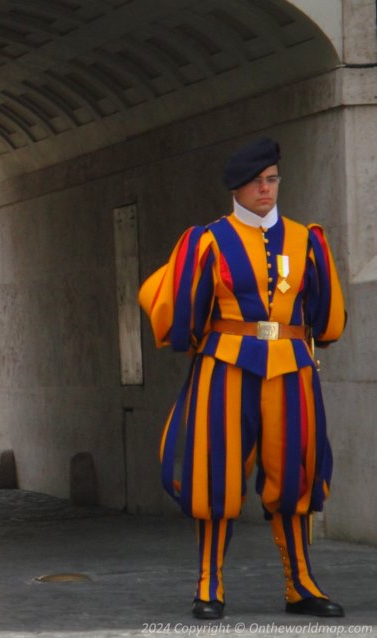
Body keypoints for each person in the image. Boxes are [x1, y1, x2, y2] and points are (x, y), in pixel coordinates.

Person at [138, 137, 346, 620]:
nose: (266, 190)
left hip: (292, 368)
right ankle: (209, 585)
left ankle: (302, 584)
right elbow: (185, 319)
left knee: (296, 475)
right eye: (257, 182)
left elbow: (327, 319)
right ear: (236, 188)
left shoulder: (307, 239)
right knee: (216, 476)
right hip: (226, 368)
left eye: (272, 180)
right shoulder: (208, 240)